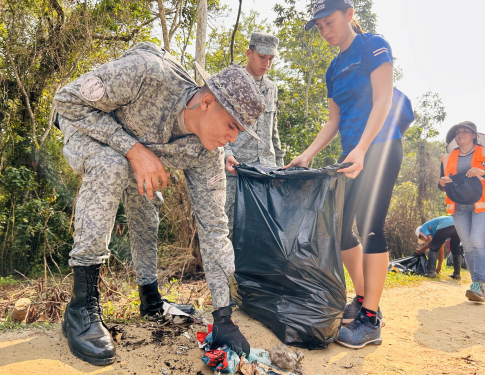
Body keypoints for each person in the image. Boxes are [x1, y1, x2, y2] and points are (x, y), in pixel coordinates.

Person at [53, 42, 266, 365]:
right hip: (86, 121)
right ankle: (81, 306)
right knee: (112, 165)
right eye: (232, 125)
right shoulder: (147, 74)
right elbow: (67, 100)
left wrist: (224, 316)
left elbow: (214, 230)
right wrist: (133, 150)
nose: (233, 138)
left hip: (133, 143)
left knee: (147, 200)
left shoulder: (207, 153)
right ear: (208, 102)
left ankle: (150, 298)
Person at [287, 0, 413, 349]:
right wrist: (306, 155)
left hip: (382, 145)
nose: (325, 30)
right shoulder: (333, 68)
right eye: (320, 26)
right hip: (351, 155)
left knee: (372, 225)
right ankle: (362, 299)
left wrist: (362, 147)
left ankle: (371, 320)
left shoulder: (374, 45)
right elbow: (333, 121)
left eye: (329, 21)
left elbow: (383, 100)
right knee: (342, 229)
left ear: (349, 14)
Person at [224, 32, 285, 239]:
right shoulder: (231, 82)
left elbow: (273, 131)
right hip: (238, 169)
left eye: (271, 59)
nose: (266, 63)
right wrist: (226, 154)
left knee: (265, 229)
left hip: (266, 170)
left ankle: (257, 272)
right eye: (262, 57)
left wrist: (281, 166)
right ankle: (230, 271)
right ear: (249, 53)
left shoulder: (272, 88)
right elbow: (216, 125)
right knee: (231, 226)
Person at [440, 121, 485, 301]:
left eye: (465, 131)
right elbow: (441, 184)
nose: (461, 134)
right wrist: (441, 183)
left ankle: (479, 282)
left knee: (477, 240)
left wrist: (482, 172)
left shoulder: (483, 152)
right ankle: (476, 285)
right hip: (458, 206)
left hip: (481, 204)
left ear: (474, 135)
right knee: (467, 244)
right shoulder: (447, 157)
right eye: (458, 132)